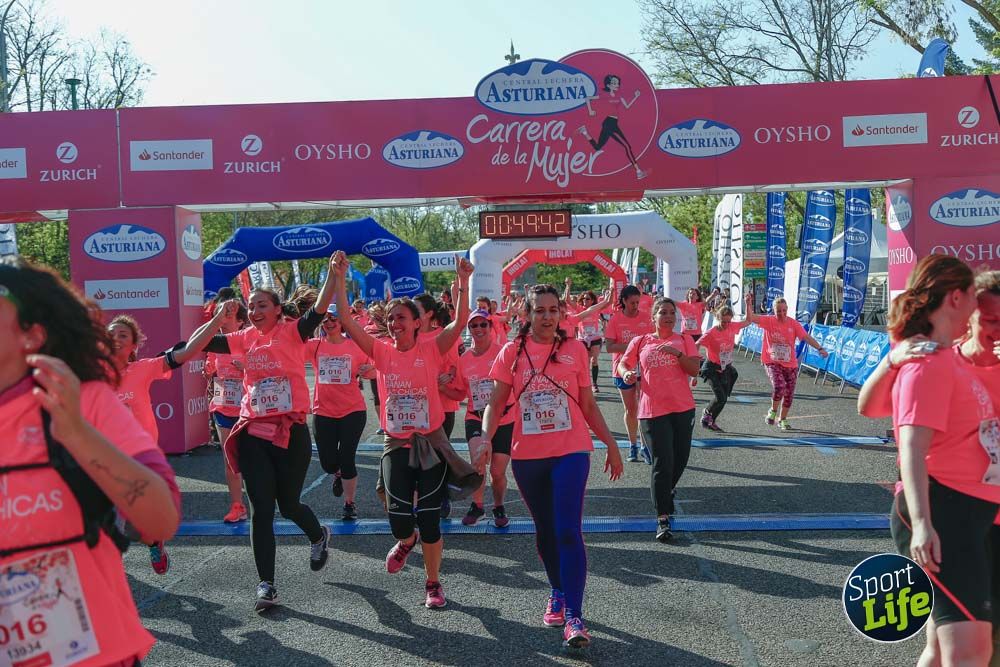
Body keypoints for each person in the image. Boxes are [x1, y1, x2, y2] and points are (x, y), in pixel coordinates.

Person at [1, 257, 181, 666]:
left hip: (94, 654)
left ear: (32, 336)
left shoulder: (83, 400)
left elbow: (160, 520)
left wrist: (76, 434)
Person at [855, 257, 998, 667]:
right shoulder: (929, 361)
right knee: (970, 654)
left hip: (964, 512)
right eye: (974, 297)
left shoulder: (941, 357)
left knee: (942, 651)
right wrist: (922, 524)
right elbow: (911, 448)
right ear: (957, 297)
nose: (978, 308)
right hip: (945, 511)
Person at [480, 284, 623, 649]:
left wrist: (611, 443)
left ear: (561, 313)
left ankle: (575, 617)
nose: (547, 317)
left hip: (571, 450)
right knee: (545, 531)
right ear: (527, 315)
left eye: (553, 310)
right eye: (539, 310)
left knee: (567, 530)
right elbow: (495, 404)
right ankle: (557, 590)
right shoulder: (510, 353)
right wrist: (484, 439)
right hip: (527, 455)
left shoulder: (574, 350)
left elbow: (588, 405)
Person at [333, 250, 474, 609]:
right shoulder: (380, 352)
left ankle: (433, 583)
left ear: (416, 322)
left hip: (429, 442)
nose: (395, 322)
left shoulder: (431, 348)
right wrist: (338, 277)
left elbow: (459, 324)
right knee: (399, 520)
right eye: (391, 317)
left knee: (429, 518)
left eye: (402, 318)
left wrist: (464, 282)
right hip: (395, 443)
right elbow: (348, 321)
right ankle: (405, 540)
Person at [200, 261, 339, 613]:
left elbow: (319, 310)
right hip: (253, 433)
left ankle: (317, 534)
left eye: (263, 305)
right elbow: (199, 343)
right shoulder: (242, 338)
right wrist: (217, 320)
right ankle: (267, 585)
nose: (255, 311)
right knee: (261, 509)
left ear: (278, 310)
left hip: (290, 431)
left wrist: (334, 277)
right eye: (251, 306)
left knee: (288, 504)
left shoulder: (293, 332)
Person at [106, 310, 224, 574]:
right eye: (110, 334)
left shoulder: (143, 368)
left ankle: (153, 541)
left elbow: (188, 351)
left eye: (122, 334)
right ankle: (111, 572)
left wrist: (216, 321)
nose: (115, 338)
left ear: (134, 346)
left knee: (132, 524)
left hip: (141, 458)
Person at [618, 297, 700, 542]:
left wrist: (676, 353)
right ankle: (662, 517)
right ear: (653, 317)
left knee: (680, 459)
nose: (668, 316)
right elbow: (623, 363)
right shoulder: (641, 341)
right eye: (662, 312)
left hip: (683, 408)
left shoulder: (684, 340)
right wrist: (627, 373)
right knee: (662, 462)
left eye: (671, 312)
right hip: (652, 410)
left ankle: (665, 490)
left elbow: (695, 370)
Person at [441, 308, 515, 527]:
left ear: (491, 327)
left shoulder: (503, 352)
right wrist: (442, 388)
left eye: (483, 324)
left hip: (505, 418)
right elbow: (461, 393)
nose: (479, 329)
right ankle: (478, 506)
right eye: (474, 325)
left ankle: (499, 506)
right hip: (476, 416)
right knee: (478, 463)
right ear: (469, 329)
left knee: (498, 472)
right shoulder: (463, 360)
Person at [306, 309, 375, 521]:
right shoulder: (314, 345)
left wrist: (367, 369)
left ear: (342, 322)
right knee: (327, 462)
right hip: (323, 410)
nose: (329, 322)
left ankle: (349, 503)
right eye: (325, 319)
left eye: (334, 318)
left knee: (347, 458)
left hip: (352, 410)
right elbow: (289, 352)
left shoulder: (355, 345)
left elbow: (374, 368)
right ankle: (336, 472)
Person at [746, 297, 828, 430]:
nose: (782, 313)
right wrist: (748, 304)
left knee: (789, 394)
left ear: (787, 309)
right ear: (774, 310)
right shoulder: (769, 321)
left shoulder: (793, 324)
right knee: (779, 386)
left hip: (790, 364)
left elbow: (806, 337)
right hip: (772, 362)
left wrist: (819, 348)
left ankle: (782, 419)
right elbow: (750, 318)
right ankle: (772, 411)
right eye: (779, 311)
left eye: (784, 310)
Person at [205, 301, 250, 523]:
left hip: (249, 409)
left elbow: (268, 368)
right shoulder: (215, 344)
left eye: (227, 315)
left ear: (240, 320)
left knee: (253, 459)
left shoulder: (250, 340)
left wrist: (247, 369)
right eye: (218, 315)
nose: (222, 319)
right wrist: (209, 372)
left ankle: (264, 502)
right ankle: (237, 505)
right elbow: (211, 369)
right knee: (230, 459)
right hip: (223, 406)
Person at [605, 285, 655, 463]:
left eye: (638, 302)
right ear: (624, 301)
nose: (636, 305)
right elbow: (609, 346)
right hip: (622, 369)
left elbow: (653, 340)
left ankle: (645, 446)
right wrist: (632, 346)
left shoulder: (646, 318)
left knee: (644, 408)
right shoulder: (615, 320)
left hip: (643, 368)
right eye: (632, 302)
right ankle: (633, 445)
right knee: (631, 409)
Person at [577, 73, 647, 180]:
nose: (616, 84)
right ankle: (638, 172)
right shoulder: (604, 95)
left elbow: (627, 106)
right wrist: (590, 111)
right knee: (627, 146)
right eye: (614, 83)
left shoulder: (619, 96)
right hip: (609, 123)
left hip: (612, 123)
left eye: (617, 83)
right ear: (608, 85)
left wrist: (635, 97)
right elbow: (588, 98)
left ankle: (585, 132)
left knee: (598, 147)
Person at [697, 305, 749, 431]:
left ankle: (711, 420)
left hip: (725, 367)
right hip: (711, 367)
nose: (726, 324)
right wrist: (694, 361)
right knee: (720, 397)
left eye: (728, 321)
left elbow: (748, 321)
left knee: (723, 398)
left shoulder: (732, 327)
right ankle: (707, 412)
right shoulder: (711, 332)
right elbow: (696, 344)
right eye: (723, 321)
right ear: (717, 318)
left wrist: (748, 303)